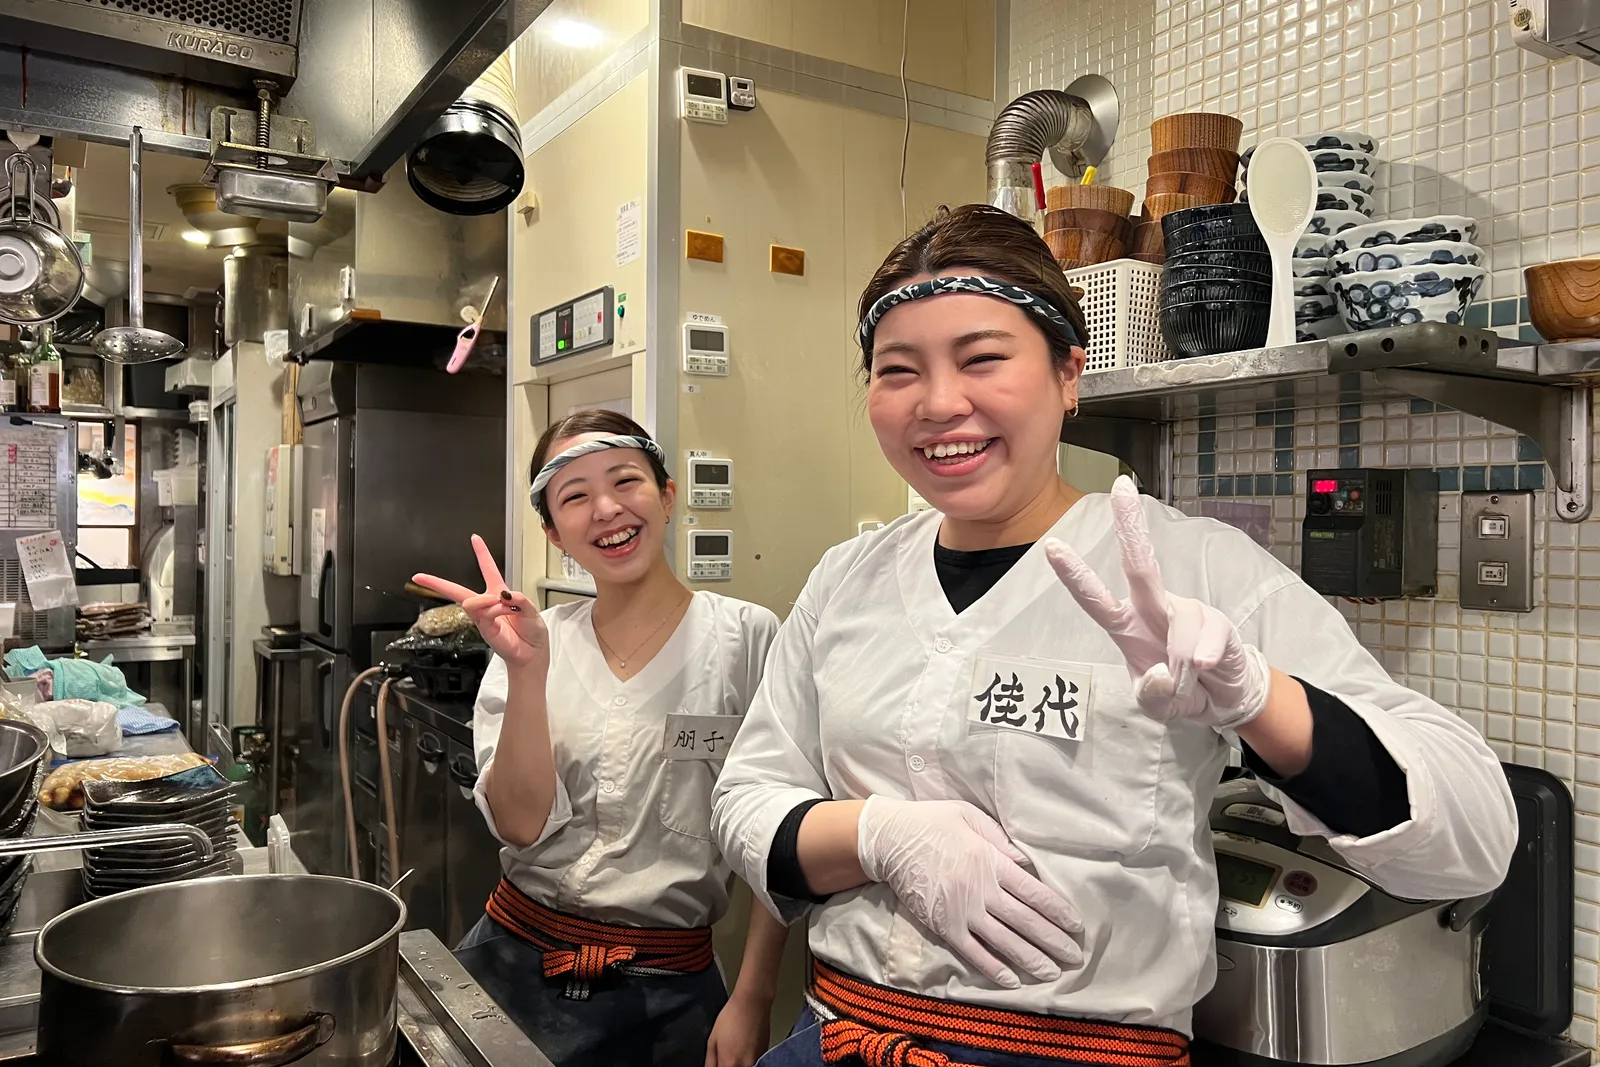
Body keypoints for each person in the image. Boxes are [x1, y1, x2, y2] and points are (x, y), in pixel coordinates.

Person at [710, 204, 1517, 1067]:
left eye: (983, 358)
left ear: (1069, 374)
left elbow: (1472, 836)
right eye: (897, 369)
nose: (940, 403)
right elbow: (748, 797)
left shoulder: (1195, 568)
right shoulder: (846, 579)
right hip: (838, 1040)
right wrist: (877, 835)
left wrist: (1262, 704)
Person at [414, 409, 789, 1067]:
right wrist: (528, 672)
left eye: (625, 481)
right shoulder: (531, 643)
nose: (608, 509)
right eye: (576, 496)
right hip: (510, 963)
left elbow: (776, 831)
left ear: (668, 496)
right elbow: (521, 825)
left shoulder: (745, 640)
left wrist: (754, 997)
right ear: (555, 533)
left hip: (672, 995)